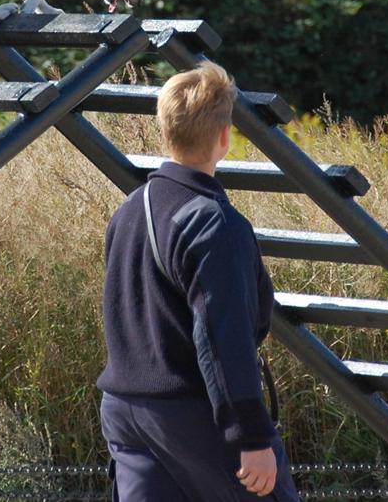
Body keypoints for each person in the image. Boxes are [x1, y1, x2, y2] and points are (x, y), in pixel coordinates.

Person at [97, 61, 301, 501]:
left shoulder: (130, 210)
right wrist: (252, 437)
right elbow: (223, 339)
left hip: (124, 413)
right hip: (190, 417)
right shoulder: (214, 223)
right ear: (225, 137)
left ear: (165, 130)